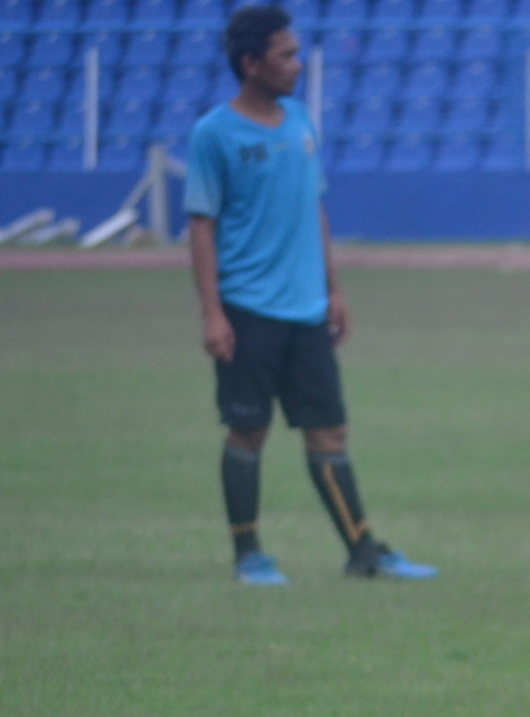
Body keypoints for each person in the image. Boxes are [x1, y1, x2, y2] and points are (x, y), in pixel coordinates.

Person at [186, 6, 436, 586]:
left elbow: (313, 206)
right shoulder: (214, 134)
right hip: (248, 310)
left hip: (306, 309)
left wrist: (335, 289)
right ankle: (248, 553)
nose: (298, 65)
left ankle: (363, 552)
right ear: (251, 64)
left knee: (330, 433)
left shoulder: (300, 120)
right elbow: (201, 228)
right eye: (286, 55)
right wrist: (213, 313)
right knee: (249, 432)